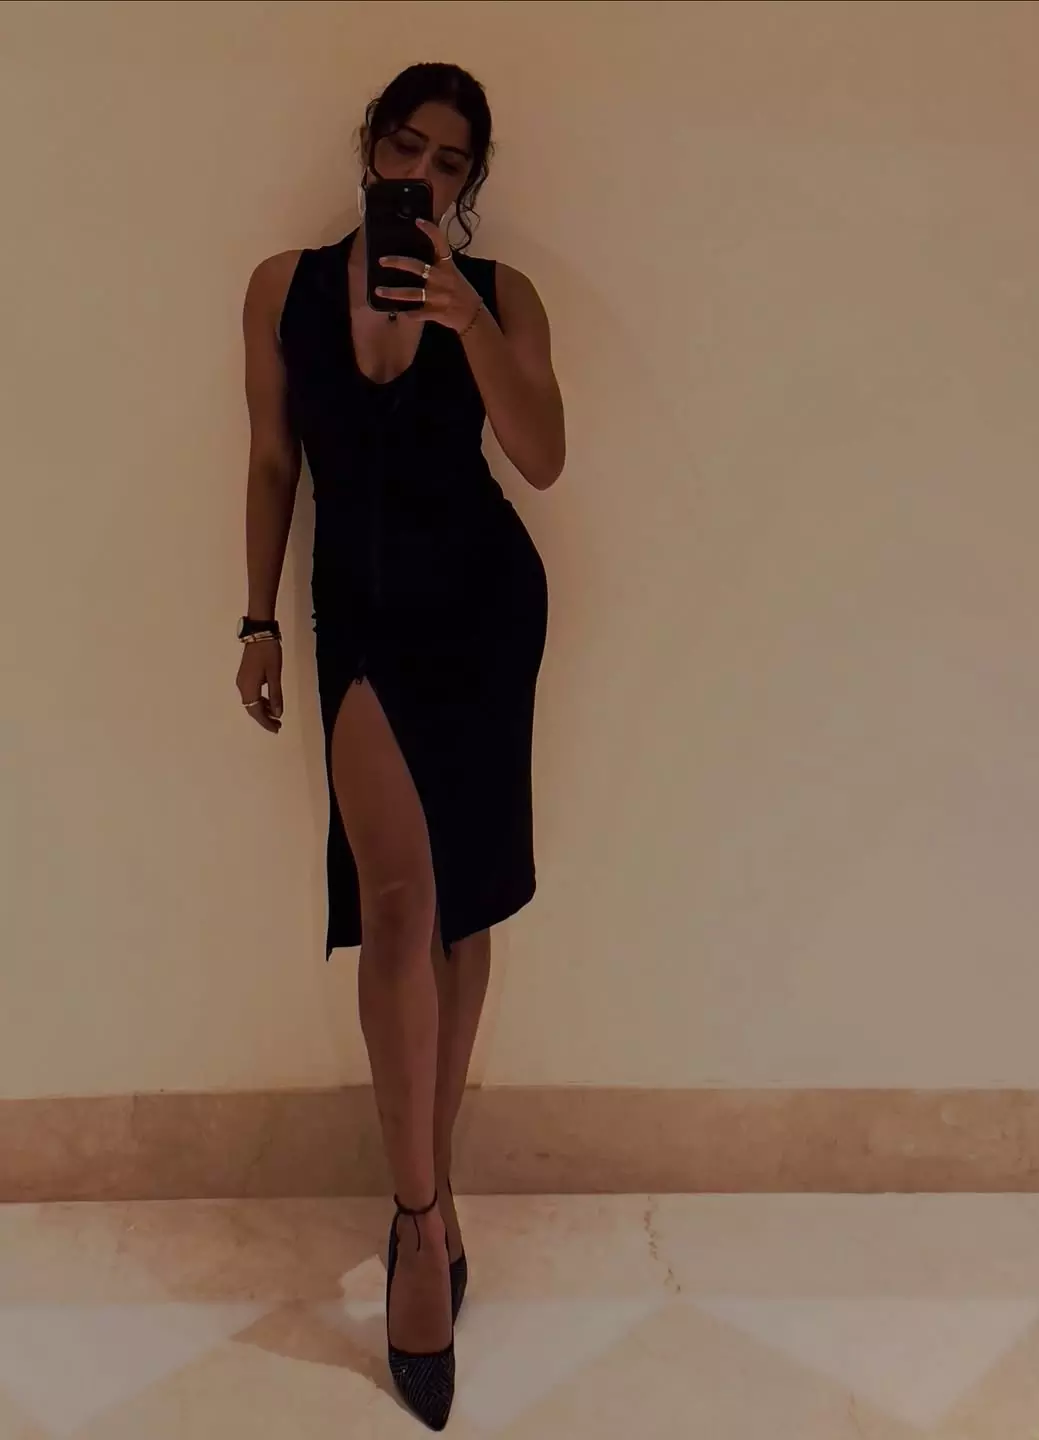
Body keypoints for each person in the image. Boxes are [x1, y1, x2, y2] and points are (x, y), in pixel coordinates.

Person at [236, 63, 563, 1430]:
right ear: (370, 145)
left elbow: (541, 454)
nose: (422, 174)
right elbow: (274, 462)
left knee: (461, 911)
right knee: (394, 904)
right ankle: (420, 1224)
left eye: (450, 161)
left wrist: (468, 321)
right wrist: (256, 619)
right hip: (360, 620)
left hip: (482, 609)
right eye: (405, 147)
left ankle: (427, 1187)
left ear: (468, 181)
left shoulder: (501, 295)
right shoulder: (283, 288)